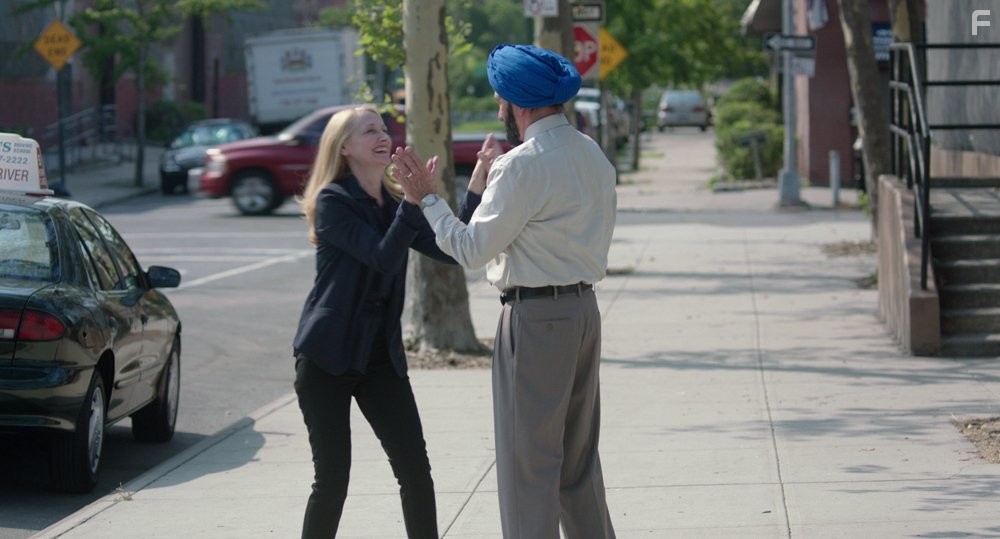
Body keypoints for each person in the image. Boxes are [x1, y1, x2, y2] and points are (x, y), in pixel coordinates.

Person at [392, 44, 617, 539]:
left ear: (518, 103)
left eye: (501, 99)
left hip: (535, 318)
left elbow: (471, 250)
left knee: (527, 468)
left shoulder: (520, 165)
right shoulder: (591, 154)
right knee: (577, 463)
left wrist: (428, 199)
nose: (499, 109)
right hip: (584, 311)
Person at [291, 106, 480, 538]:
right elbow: (383, 257)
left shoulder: (396, 203)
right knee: (333, 480)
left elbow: (454, 250)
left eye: (384, 127)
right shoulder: (333, 202)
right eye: (369, 130)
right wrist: (413, 204)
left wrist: (475, 188)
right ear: (344, 147)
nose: (383, 134)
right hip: (326, 358)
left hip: (380, 360)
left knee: (416, 471)